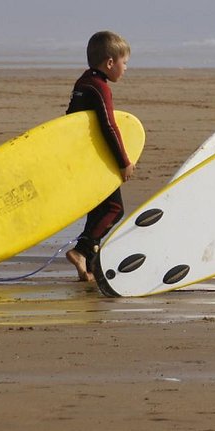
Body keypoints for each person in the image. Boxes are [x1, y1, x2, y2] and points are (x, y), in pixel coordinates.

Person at [65, 31, 136, 282]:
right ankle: (82, 251)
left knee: (98, 210)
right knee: (114, 209)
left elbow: (70, 121)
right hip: (97, 161)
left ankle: (89, 266)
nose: (125, 68)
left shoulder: (82, 83)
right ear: (109, 63)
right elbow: (109, 126)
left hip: (82, 158)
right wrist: (124, 162)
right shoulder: (100, 88)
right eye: (124, 63)